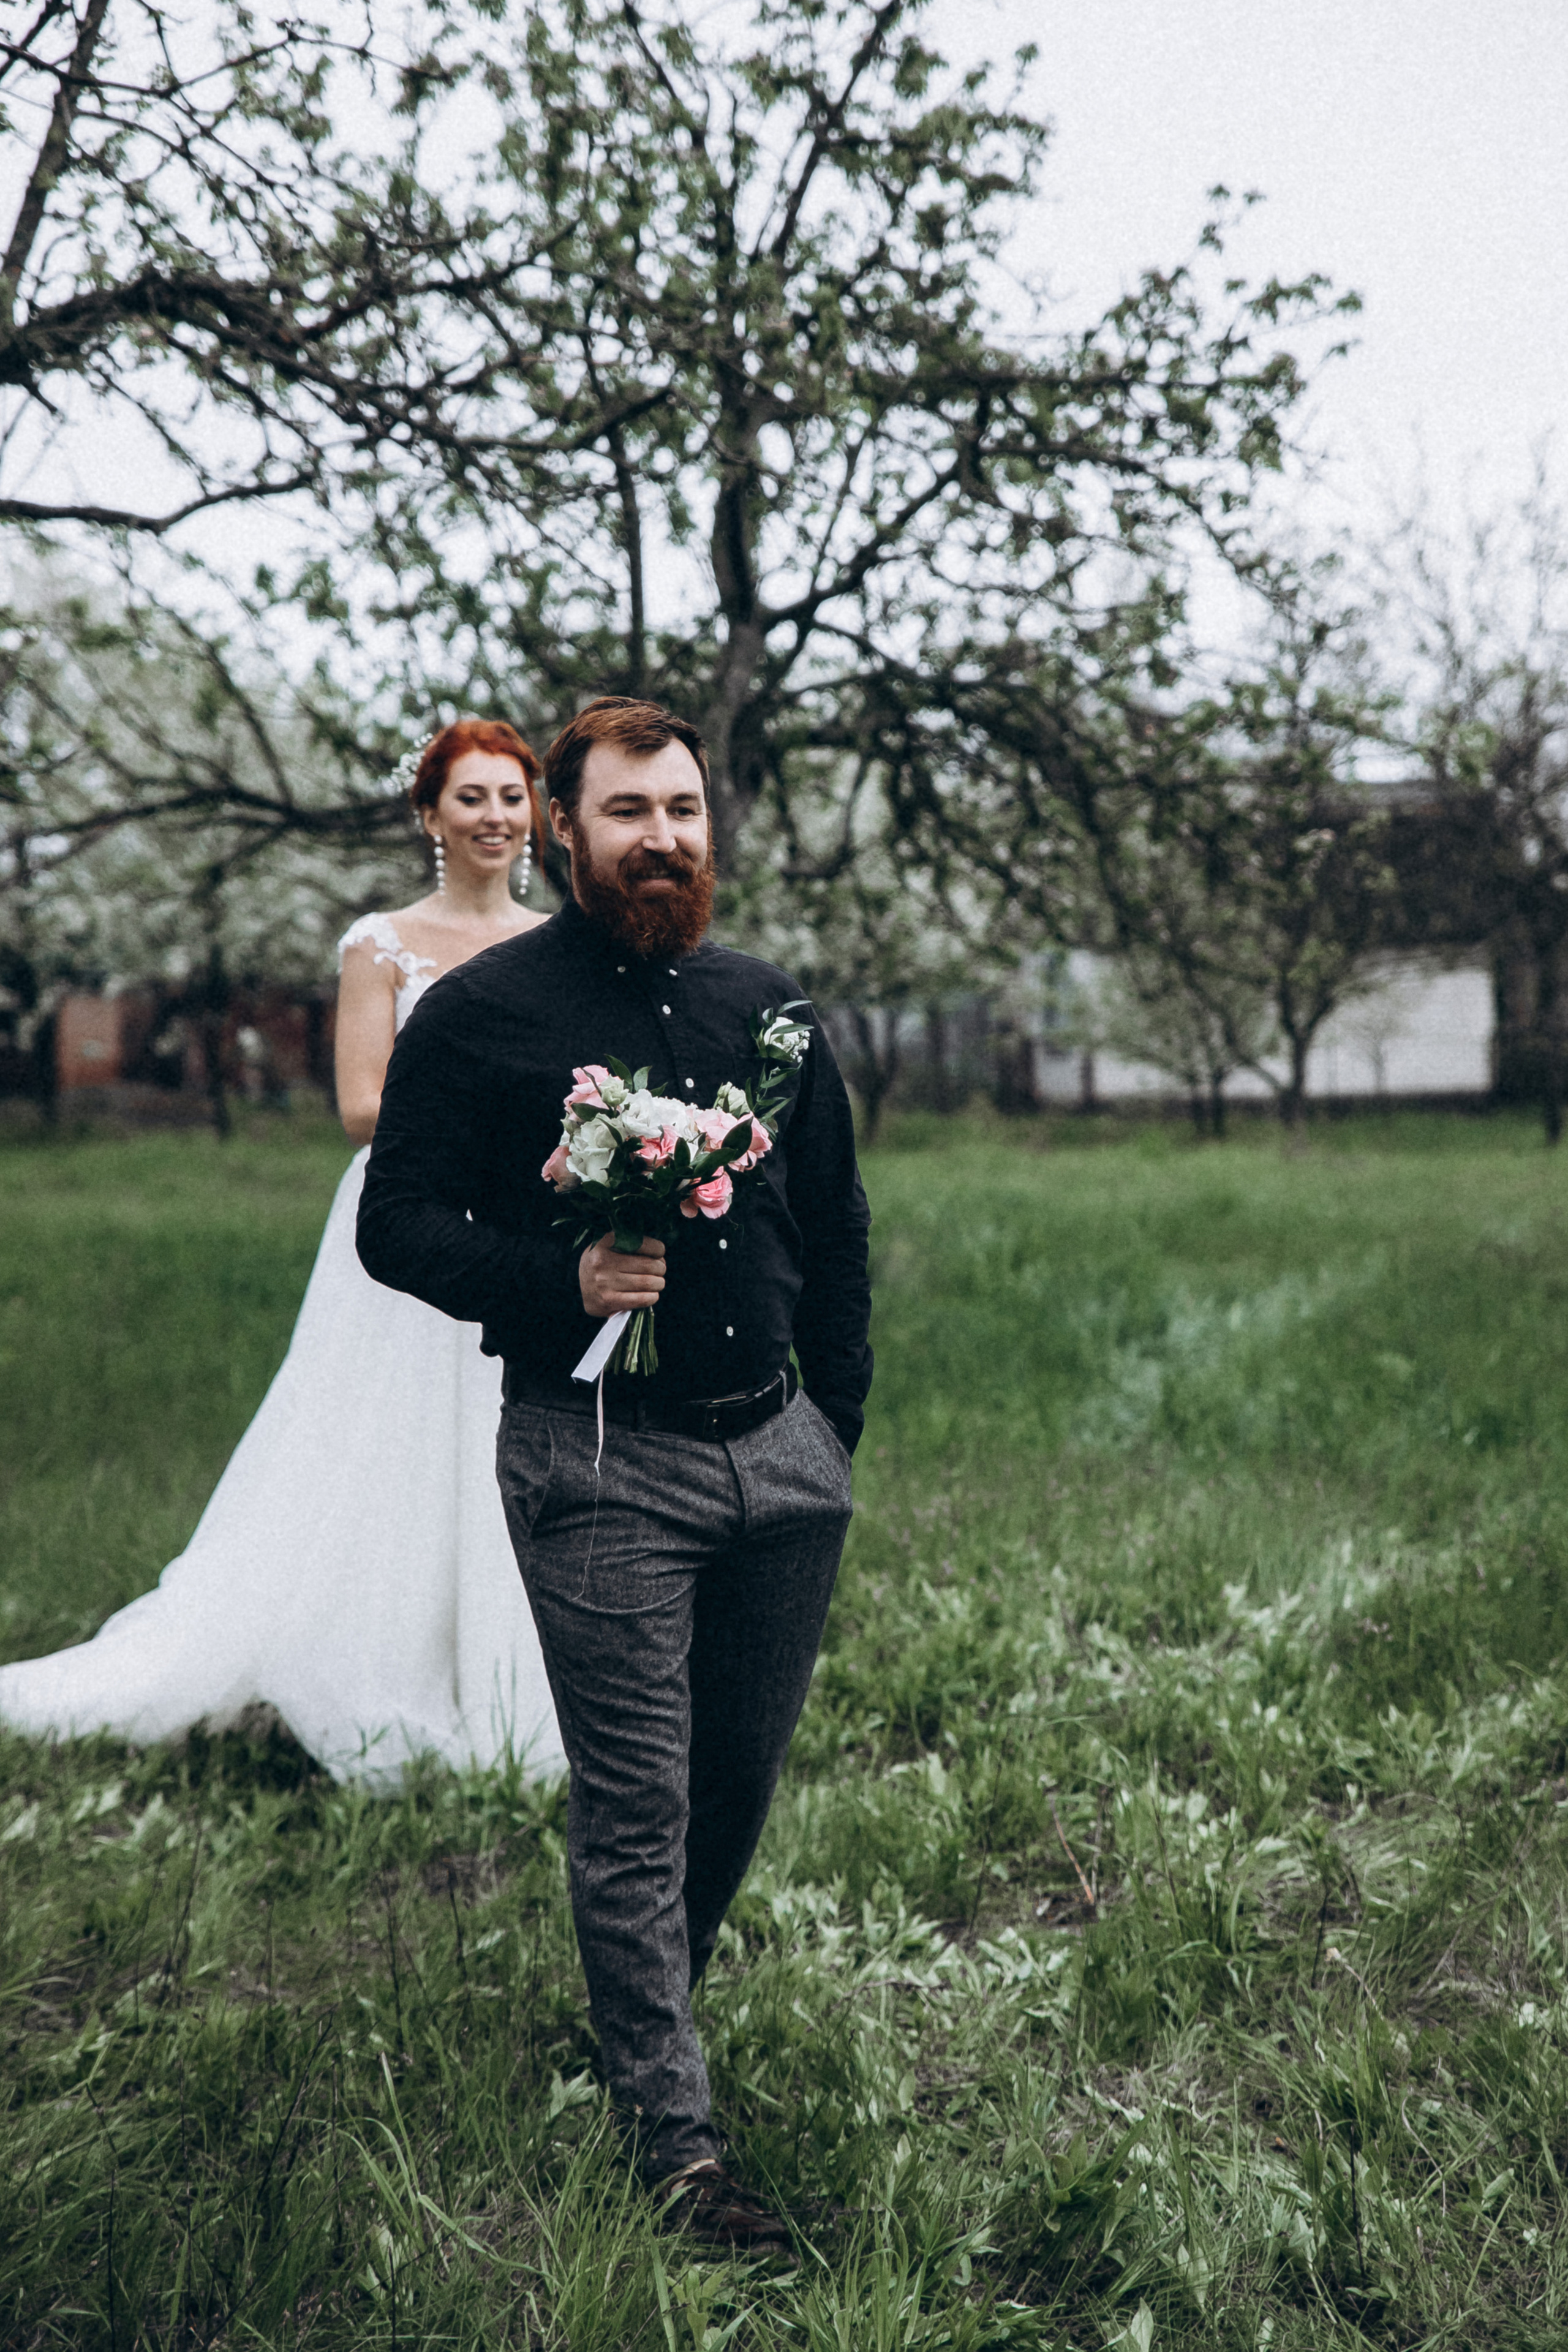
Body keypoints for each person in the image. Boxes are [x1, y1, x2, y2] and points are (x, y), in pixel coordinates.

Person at [356, 696, 873, 2250]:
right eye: (629, 813)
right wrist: (552, 1277)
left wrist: (826, 1432)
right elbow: (397, 1225)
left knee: (734, 1781)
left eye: (685, 811)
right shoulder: (486, 1015)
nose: (663, 839)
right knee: (637, 1801)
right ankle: (675, 2144)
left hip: (776, 1457)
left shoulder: (766, 1012)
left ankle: (642, 2013)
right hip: (596, 1467)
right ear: (564, 831)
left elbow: (836, 1229)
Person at [0, 720, 565, 1788]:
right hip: (414, 1214)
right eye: (471, 797)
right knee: (379, 1446)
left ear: (537, 812)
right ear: (430, 814)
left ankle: (510, 1675)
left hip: (528, 1227)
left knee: (511, 1435)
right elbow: (361, 1105)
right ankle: (359, 1654)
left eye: (512, 796)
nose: (495, 817)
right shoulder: (382, 943)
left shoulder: (560, 945)